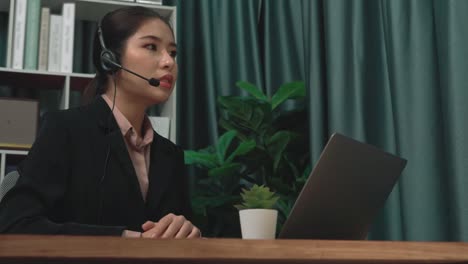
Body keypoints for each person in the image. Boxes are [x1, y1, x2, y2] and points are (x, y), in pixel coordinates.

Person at [0, 6, 200, 239]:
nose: (169, 62)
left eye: (173, 52)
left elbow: (182, 237)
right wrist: (125, 239)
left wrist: (187, 231)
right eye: (151, 47)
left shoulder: (170, 154)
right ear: (110, 59)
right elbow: (15, 224)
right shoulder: (65, 129)